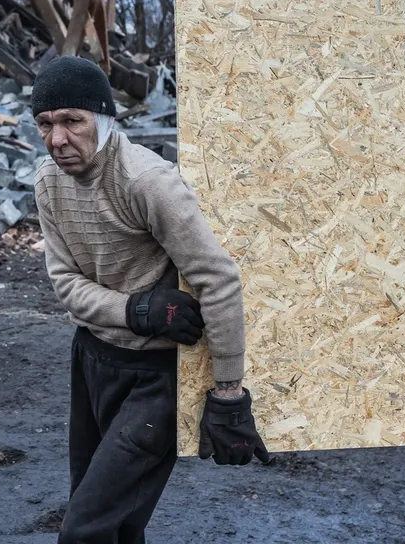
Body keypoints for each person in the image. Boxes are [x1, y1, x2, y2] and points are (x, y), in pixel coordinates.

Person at [31, 55, 270, 544]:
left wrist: (228, 394)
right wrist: (136, 310)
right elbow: (67, 285)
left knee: (85, 531)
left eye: (73, 121)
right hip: (93, 363)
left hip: (155, 379)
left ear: (102, 120)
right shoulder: (48, 182)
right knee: (111, 521)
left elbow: (218, 278)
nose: (58, 139)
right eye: (46, 124)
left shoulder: (146, 181)